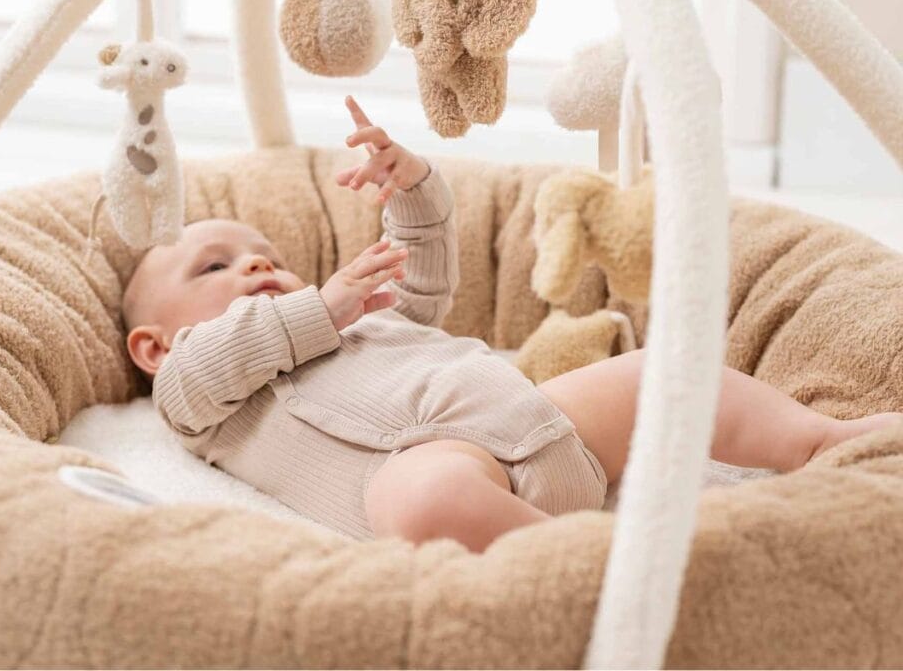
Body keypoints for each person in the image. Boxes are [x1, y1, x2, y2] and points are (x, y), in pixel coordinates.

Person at [123, 95, 902, 553]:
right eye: (215, 268)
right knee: (417, 502)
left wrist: (413, 188)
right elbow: (224, 358)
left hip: (543, 419)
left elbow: (422, 274)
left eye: (264, 256)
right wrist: (319, 304)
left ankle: (816, 440)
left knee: (659, 376)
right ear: (153, 347)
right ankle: (586, 568)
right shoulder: (195, 392)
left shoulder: (354, 324)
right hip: (443, 467)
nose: (255, 268)